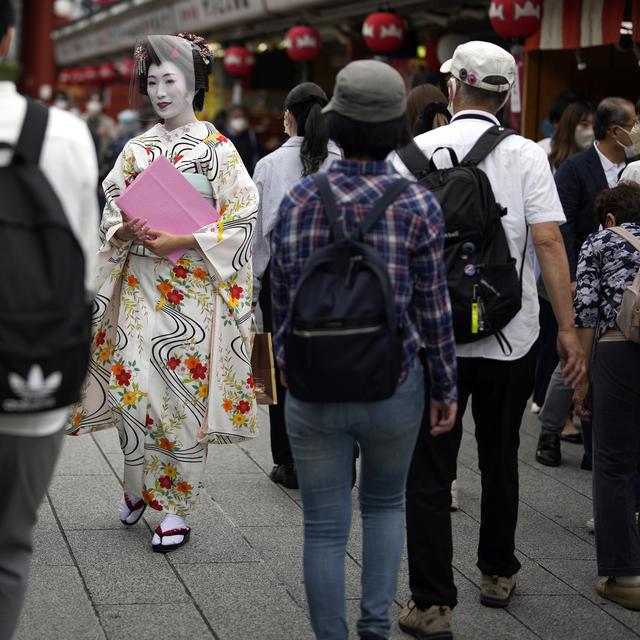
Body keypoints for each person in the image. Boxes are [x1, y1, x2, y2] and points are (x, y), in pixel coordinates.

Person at [391, 41, 585, 637]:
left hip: (432, 339)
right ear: (504, 95)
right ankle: (497, 571)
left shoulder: (409, 154)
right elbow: (549, 243)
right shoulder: (527, 154)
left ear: (454, 88)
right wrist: (570, 330)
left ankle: (431, 603)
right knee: (501, 458)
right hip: (511, 335)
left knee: (429, 468)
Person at [270, 59, 458, 640]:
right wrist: (445, 386)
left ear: (337, 125)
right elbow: (434, 308)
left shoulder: (301, 200)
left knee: (323, 530)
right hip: (394, 384)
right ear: (396, 130)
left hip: (314, 385)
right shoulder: (418, 203)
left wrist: (286, 370)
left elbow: (280, 297)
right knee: (384, 508)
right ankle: (374, 627)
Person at [66, 33, 259, 552]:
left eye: (169, 80)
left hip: (191, 290)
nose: (159, 91)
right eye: (151, 81)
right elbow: (112, 204)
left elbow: (243, 216)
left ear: (194, 84)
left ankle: (175, 506)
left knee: (179, 399)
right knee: (133, 391)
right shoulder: (137, 147)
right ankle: (136, 489)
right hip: (139, 286)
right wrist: (122, 230)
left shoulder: (219, 150)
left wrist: (186, 237)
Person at [0, 1, 99, 637]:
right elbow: (83, 267)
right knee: (10, 547)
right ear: (8, 37)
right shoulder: (61, 133)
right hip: (28, 372)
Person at [535, 97, 636, 467]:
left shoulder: (632, 167)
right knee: (575, 357)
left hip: (624, 281)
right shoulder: (576, 168)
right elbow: (559, 225)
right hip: (583, 273)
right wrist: (574, 276)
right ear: (616, 130)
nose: (636, 130)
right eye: (633, 123)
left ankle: (594, 445)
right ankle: (551, 428)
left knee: (597, 362)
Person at [252, 82, 341, 490]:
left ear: (288, 116)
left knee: (275, 363)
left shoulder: (269, 165)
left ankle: (287, 460)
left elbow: (257, 237)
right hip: (334, 277)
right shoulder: (342, 161)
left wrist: (251, 287)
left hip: (282, 279)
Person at [573, 181, 640, 610]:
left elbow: (586, 312)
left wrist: (581, 379)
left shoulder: (599, 241)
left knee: (613, 462)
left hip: (619, 353)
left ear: (611, 219)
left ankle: (625, 577)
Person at [222, 103, 264, 174]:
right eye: (236, 117)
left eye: (243, 117)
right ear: (227, 119)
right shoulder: (219, 137)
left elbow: (259, 156)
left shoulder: (252, 137)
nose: (240, 120)